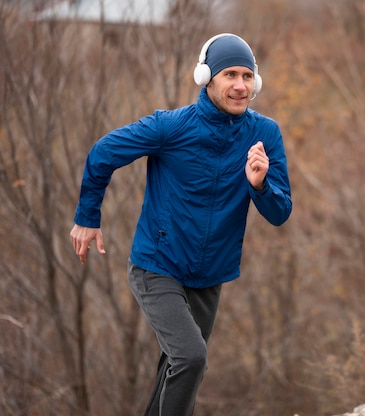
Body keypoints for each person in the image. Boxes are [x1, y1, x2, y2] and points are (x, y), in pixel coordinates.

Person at [70, 33, 292, 415]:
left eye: (247, 76)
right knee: (190, 358)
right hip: (157, 265)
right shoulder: (169, 128)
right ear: (206, 77)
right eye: (229, 75)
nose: (240, 85)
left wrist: (259, 185)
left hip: (210, 274)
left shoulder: (264, 134)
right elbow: (103, 152)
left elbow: (280, 213)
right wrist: (87, 218)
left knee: (178, 371)